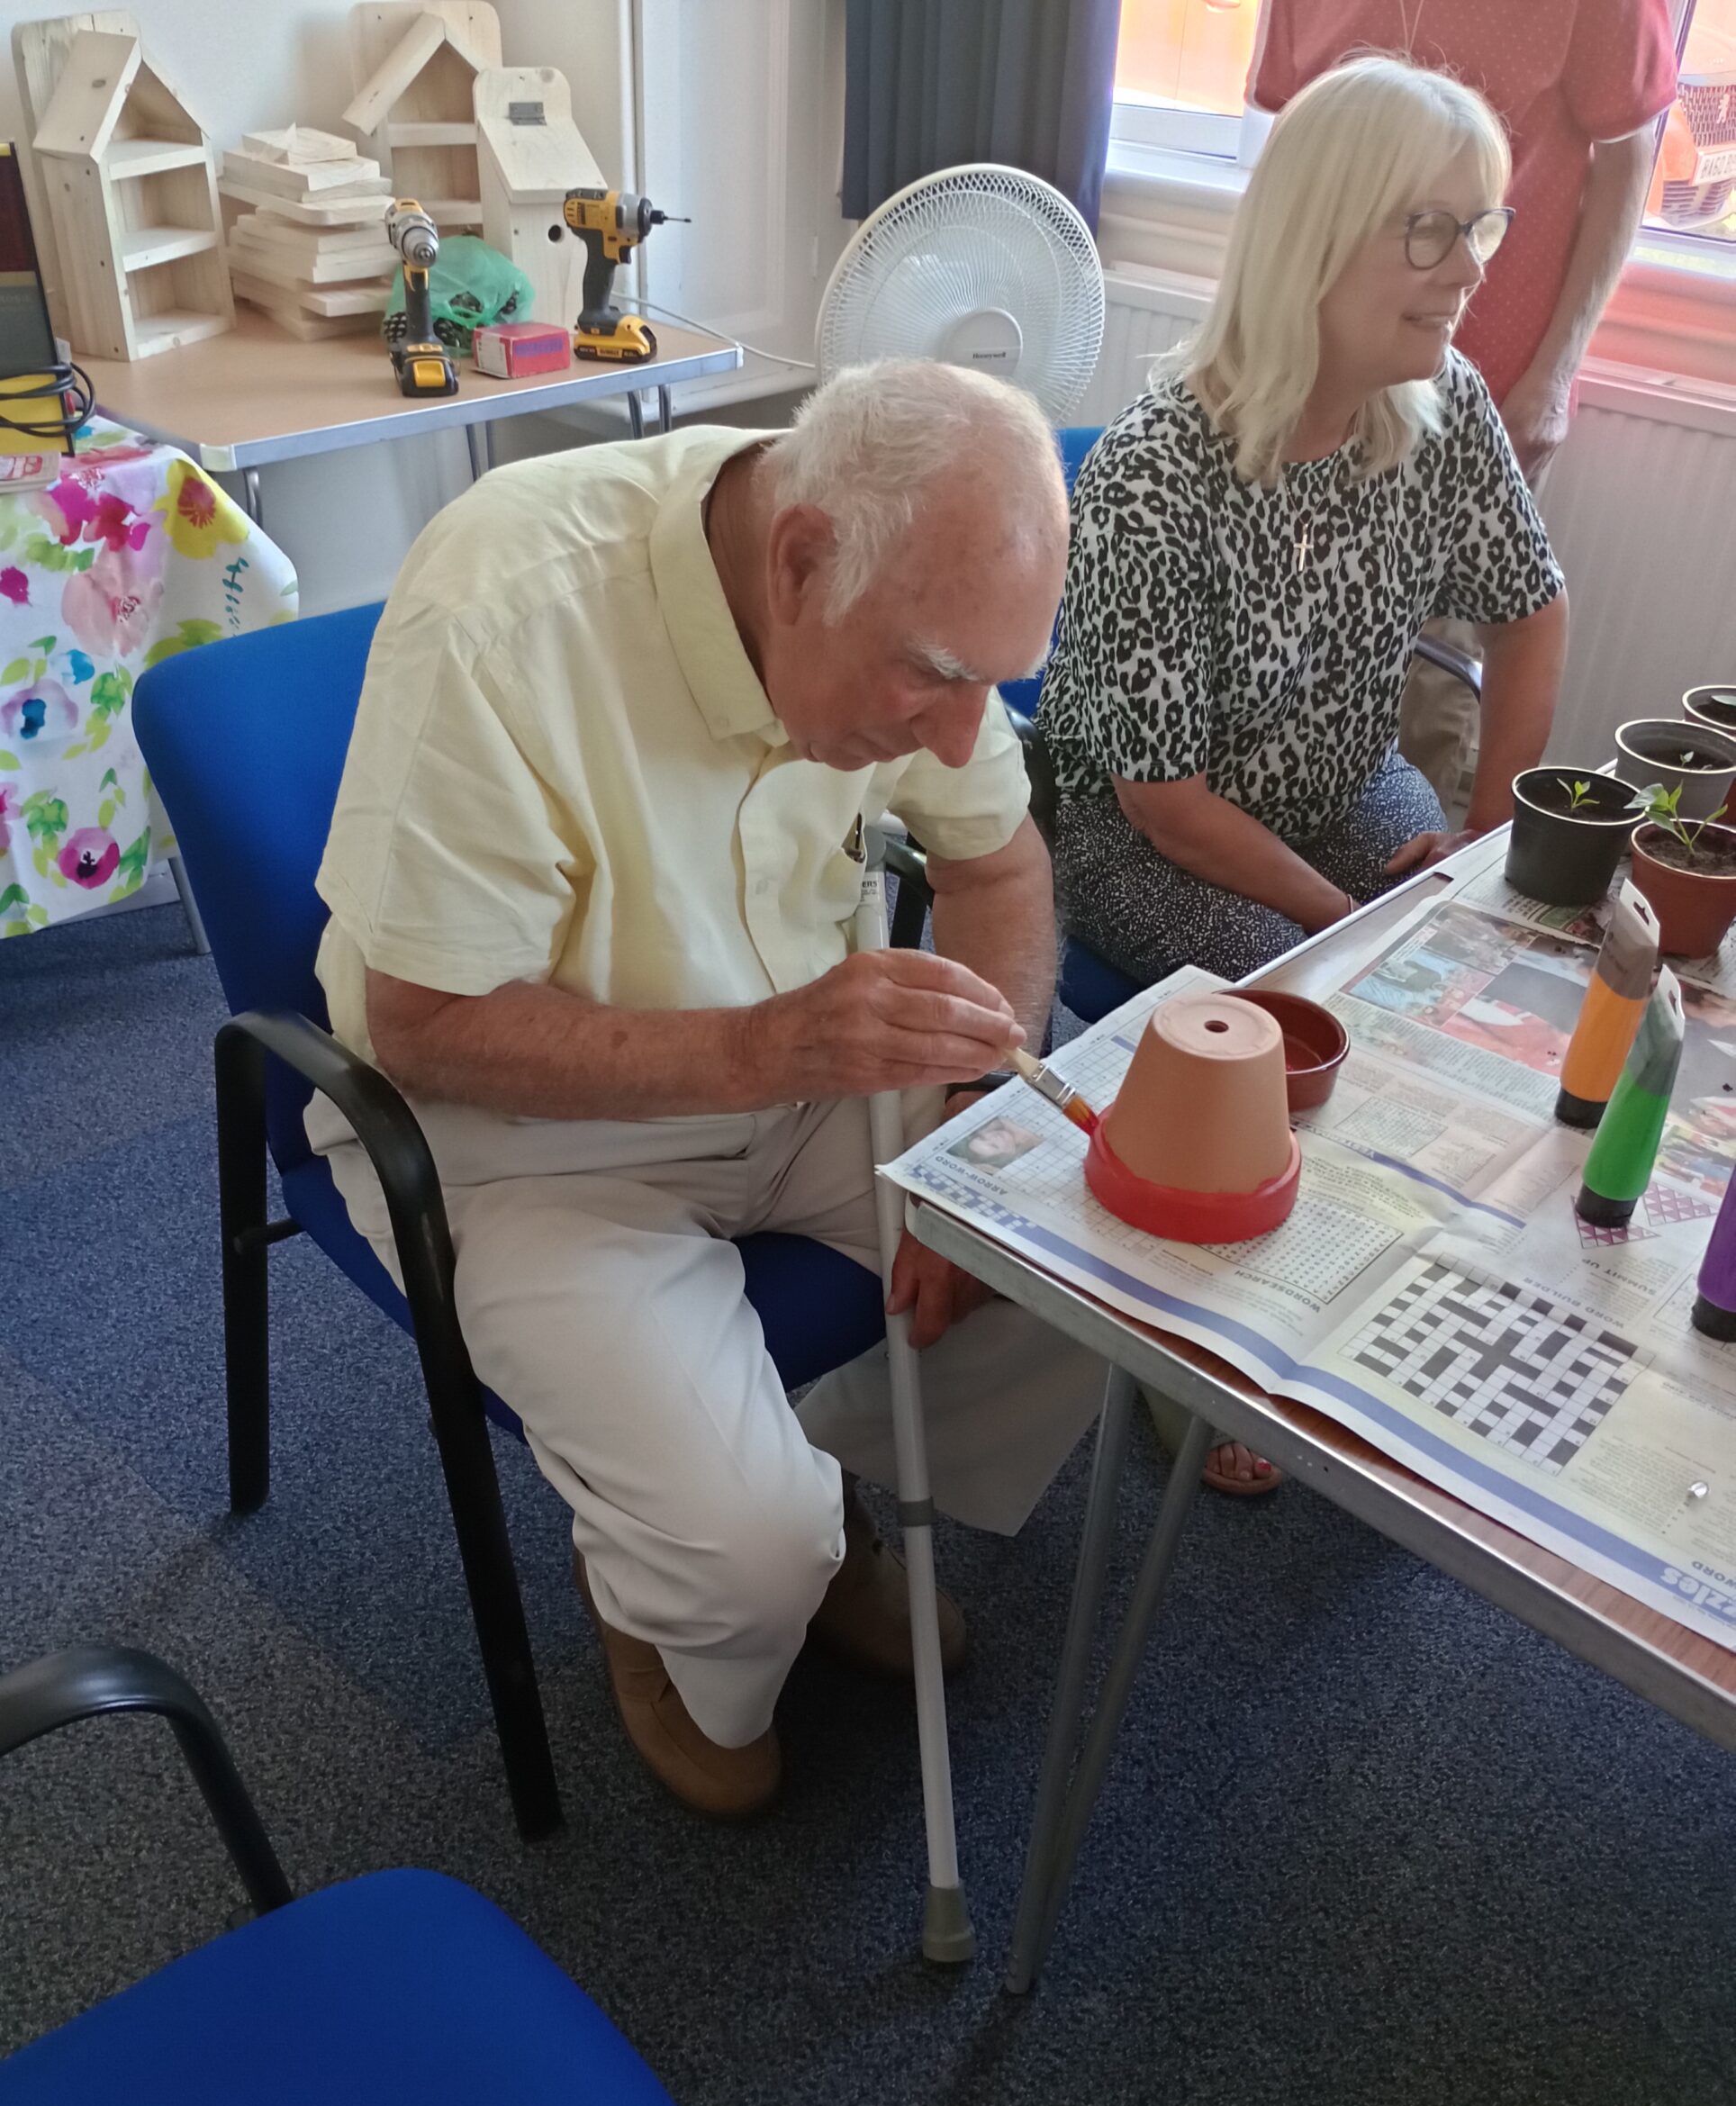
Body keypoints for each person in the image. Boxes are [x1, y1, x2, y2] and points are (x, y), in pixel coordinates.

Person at [309, 360, 1106, 1820]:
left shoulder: (889, 566)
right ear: (796, 565)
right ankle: (680, 1599)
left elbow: (995, 861)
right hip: (521, 1129)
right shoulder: (508, 604)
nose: (954, 732)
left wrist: (957, 1144)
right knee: (745, 1560)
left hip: (807, 1061)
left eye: (989, 684)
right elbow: (420, 1025)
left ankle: (830, 1480)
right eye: (934, 675)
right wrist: (762, 1051)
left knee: (1081, 1248)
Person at [1039, 58, 1569, 1494]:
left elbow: (1531, 607)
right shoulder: (1159, 469)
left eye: (1485, 228)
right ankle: (1192, 1346)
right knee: (1308, 1029)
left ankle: (1355, 1286)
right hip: (1136, 835)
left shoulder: (1438, 405)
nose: (1468, 269)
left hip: (1343, 788)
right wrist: (1350, 915)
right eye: (1431, 229)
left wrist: (1478, 844)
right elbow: (1159, 798)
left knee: (1457, 991)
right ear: (1318, 235)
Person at [1252, 0, 1677, 802]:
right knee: (1283, 668)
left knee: (1432, 697)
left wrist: (1553, 374)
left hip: (1478, 395)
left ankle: (1421, 886)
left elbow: (1628, 155)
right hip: (1311, 386)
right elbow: (1290, 162)